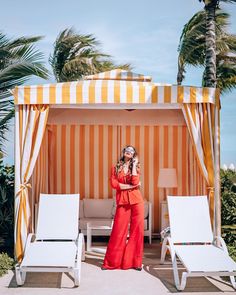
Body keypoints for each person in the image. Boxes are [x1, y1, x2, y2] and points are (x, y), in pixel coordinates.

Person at [101, 145, 144, 270]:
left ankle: (134, 263)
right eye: (127, 150)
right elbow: (115, 185)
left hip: (137, 201)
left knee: (137, 232)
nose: (129, 152)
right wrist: (130, 186)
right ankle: (111, 263)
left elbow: (135, 182)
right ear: (124, 152)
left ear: (134, 154)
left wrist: (135, 165)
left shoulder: (136, 167)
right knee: (118, 231)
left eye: (132, 151)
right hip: (123, 202)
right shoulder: (115, 168)